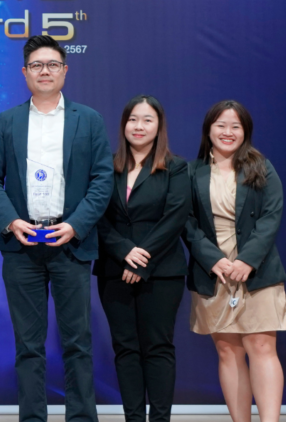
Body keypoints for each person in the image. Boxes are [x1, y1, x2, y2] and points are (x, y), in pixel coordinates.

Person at [0, 35, 114, 422]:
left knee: (78, 343)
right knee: (28, 346)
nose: (45, 71)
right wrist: (11, 221)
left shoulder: (88, 120)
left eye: (52, 64)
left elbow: (102, 180)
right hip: (21, 246)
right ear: (25, 73)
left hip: (70, 243)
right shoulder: (7, 121)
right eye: (37, 65)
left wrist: (75, 225)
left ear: (65, 71)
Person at [185, 100, 286, 422]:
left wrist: (247, 260)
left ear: (245, 132)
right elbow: (186, 221)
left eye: (235, 126)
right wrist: (213, 259)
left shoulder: (261, 168)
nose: (227, 132)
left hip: (257, 269)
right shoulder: (190, 172)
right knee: (228, 350)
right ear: (208, 129)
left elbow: (271, 218)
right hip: (213, 271)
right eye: (221, 125)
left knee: (261, 347)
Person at [93, 95, 190, 422]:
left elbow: (175, 218)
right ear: (124, 124)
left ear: (159, 126)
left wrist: (141, 261)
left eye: (147, 120)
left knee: (158, 348)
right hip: (113, 270)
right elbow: (96, 215)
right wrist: (124, 251)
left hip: (161, 272)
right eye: (133, 119)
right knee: (125, 348)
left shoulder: (176, 168)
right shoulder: (105, 166)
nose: (139, 126)